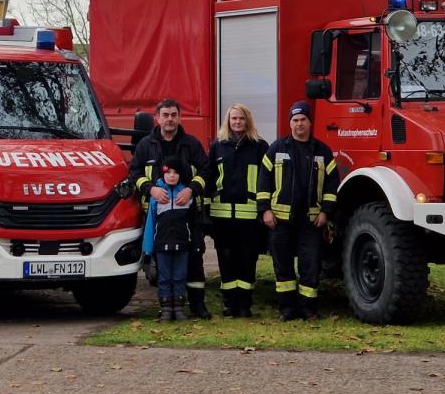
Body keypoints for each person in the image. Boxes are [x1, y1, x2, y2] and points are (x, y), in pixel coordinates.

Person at [128, 99, 213, 319]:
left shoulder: (191, 144)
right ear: (157, 118)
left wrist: (192, 189)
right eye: (165, 115)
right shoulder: (146, 145)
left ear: (179, 117)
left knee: (194, 259)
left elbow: (207, 171)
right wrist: (150, 190)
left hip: (188, 215)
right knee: (162, 263)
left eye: (173, 114)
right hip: (158, 216)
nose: (170, 119)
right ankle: (167, 306)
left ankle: (197, 305)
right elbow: (134, 173)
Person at [257, 100, 339, 321]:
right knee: (282, 266)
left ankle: (308, 309)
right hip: (280, 220)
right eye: (295, 120)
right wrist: (264, 210)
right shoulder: (276, 149)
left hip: (311, 221)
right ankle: (287, 309)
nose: (299, 124)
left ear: (310, 123)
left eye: (303, 120)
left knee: (310, 266)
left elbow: (332, 186)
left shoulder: (323, 152)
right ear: (290, 123)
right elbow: (263, 181)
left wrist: (326, 212)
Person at [206, 104, 269, 318]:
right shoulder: (218, 146)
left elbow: (266, 180)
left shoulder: (260, 147)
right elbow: (209, 176)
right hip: (222, 215)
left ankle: (245, 304)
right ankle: (229, 303)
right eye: (233, 118)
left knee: (247, 259)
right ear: (228, 121)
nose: (237, 122)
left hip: (250, 215)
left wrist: (264, 209)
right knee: (226, 258)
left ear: (247, 121)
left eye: (241, 118)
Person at [151, 157, 195, 321]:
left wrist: (195, 243)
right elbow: (151, 223)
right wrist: (148, 247)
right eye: (168, 172)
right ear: (163, 174)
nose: (172, 176)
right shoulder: (157, 196)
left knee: (180, 276)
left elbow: (193, 222)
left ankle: (179, 308)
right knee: (164, 277)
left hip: (183, 244)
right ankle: (166, 309)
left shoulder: (186, 196)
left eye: (176, 173)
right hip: (162, 245)